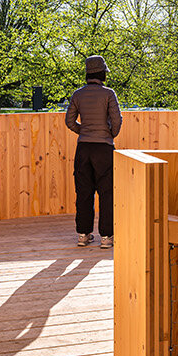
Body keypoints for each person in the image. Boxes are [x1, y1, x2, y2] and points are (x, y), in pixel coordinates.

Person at [64, 55, 122, 248]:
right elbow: (117, 121)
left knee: (83, 192)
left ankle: (83, 234)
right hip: (104, 148)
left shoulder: (77, 95)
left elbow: (69, 121)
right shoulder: (109, 94)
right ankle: (106, 237)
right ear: (102, 73)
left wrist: (84, 131)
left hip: (83, 149)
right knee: (106, 193)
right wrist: (109, 134)